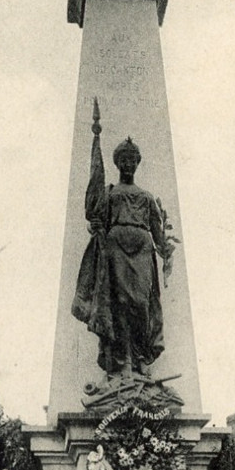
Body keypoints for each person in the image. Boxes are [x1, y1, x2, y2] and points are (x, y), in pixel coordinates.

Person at [72, 102, 176, 383]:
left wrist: (166, 249)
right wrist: (95, 226)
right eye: (124, 160)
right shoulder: (110, 193)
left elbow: (157, 231)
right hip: (116, 250)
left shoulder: (146, 196)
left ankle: (141, 357)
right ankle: (124, 360)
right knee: (120, 304)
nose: (128, 164)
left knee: (141, 303)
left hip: (142, 251)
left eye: (133, 160)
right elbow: (98, 220)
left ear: (137, 164)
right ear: (118, 163)